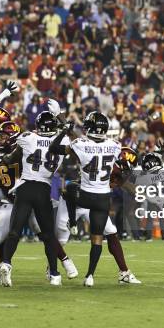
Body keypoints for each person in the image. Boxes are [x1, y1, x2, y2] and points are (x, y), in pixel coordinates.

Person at [49, 110, 122, 287]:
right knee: (97, 238)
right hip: (103, 198)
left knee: (69, 189)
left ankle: (73, 222)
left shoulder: (81, 144)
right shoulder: (115, 145)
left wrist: (63, 131)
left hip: (86, 195)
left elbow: (54, 148)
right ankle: (90, 276)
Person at [0, 111, 68, 287]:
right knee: (48, 234)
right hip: (43, 189)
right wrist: (61, 118)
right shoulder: (63, 141)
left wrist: (3, 158)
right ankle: (54, 273)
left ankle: (6, 262)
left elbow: (10, 157)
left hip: (26, 187)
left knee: (15, 230)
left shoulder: (27, 137)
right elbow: (68, 136)